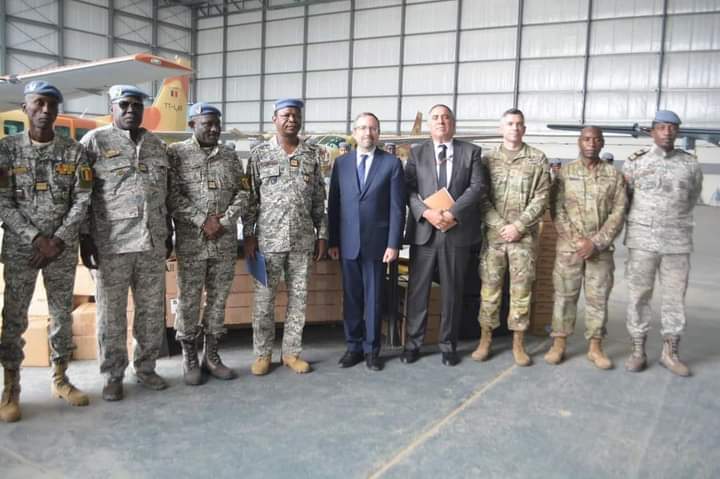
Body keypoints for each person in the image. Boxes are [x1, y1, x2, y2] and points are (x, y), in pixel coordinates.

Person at [0, 81, 92, 422]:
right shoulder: (6, 150)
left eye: (52, 104)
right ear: (25, 108)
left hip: (62, 250)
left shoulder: (75, 151)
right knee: (14, 317)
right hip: (22, 247)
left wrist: (57, 240)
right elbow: (3, 201)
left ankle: (60, 378)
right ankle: (11, 387)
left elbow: (83, 199)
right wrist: (36, 238)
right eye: (38, 103)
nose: (45, 110)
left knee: (61, 315)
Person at [80, 85, 172, 401]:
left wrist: (168, 232)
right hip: (111, 245)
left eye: (136, 105)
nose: (131, 109)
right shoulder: (94, 142)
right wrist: (85, 238)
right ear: (113, 108)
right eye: (124, 104)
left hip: (151, 243)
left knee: (150, 312)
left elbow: (166, 194)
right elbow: (82, 195)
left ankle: (145, 368)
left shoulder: (157, 145)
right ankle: (113, 375)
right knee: (111, 315)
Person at [242, 98, 328, 376]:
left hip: (302, 242)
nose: (291, 120)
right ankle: (262, 354)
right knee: (264, 301)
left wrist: (322, 235)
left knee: (298, 301)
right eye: (286, 115)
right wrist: (249, 235)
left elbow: (318, 199)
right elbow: (250, 199)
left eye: (296, 116)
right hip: (268, 242)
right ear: (274, 119)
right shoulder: (259, 155)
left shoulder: (311, 155)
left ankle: (291, 353)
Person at [168, 103, 250, 385]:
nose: (214, 129)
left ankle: (212, 355)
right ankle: (189, 356)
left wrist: (224, 221)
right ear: (192, 125)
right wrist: (202, 220)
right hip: (193, 242)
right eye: (207, 124)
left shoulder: (229, 155)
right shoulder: (176, 154)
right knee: (189, 299)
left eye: (217, 124)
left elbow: (243, 192)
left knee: (218, 299)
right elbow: (171, 195)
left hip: (224, 241)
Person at [403, 104, 486, 366]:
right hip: (425, 233)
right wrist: (426, 213)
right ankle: (413, 343)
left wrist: (452, 212)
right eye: (436, 118)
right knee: (418, 292)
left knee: (453, 292)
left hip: (456, 232)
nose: (441, 121)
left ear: (453, 123)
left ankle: (448, 345)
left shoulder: (471, 152)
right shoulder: (416, 153)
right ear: (430, 124)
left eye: (446, 117)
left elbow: (477, 186)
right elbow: (408, 189)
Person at [623, 110, 703, 377]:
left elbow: (692, 197)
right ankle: (638, 350)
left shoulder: (690, 164)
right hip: (642, 240)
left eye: (672, 127)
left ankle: (670, 353)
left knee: (674, 299)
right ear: (652, 131)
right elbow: (625, 199)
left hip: (677, 242)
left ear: (677, 132)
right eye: (661, 127)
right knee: (638, 295)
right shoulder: (636, 163)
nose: (667, 132)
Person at [328, 113, 405, 371]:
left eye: (372, 128)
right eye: (362, 128)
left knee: (373, 299)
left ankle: (372, 350)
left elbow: (397, 209)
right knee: (351, 298)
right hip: (348, 243)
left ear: (378, 133)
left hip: (377, 244)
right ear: (354, 132)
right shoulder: (342, 164)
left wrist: (394, 244)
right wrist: (333, 241)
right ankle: (353, 347)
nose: (367, 133)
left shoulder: (392, 164)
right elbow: (334, 204)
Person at [544, 127, 627, 369]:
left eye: (596, 139)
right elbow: (556, 209)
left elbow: (618, 213)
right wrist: (578, 241)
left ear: (602, 143)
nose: (591, 143)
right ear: (579, 142)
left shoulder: (614, 176)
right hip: (569, 251)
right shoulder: (564, 174)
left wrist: (597, 243)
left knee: (598, 299)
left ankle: (595, 346)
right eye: (586, 139)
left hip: (600, 252)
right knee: (563, 297)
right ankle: (559, 343)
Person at [474, 108, 550, 366]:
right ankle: (485, 339)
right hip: (494, 239)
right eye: (510, 123)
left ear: (524, 129)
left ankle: (519, 343)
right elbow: (480, 197)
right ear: (501, 129)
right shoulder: (487, 160)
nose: (515, 128)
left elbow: (542, 197)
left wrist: (518, 226)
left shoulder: (538, 160)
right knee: (490, 290)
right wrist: (499, 225)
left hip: (523, 239)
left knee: (521, 292)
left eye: (519, 124)